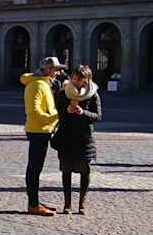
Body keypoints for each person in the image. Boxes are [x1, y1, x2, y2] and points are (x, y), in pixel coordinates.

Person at [52, 64, 101, 215]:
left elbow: (98, 117)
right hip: (66, 136)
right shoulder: (64, 93)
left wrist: (83, 112)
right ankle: (67, 204)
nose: (75, 81)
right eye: (74, 78)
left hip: (84, 138)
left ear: (87, 80)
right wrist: (66, 111)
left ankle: (82, 204)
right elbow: (57, 112)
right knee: (66, 171)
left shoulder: (93, 94)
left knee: (84, 171)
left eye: (79, 79)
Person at [21, 57, 64, 215]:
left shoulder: (45, 84)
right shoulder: (37, 85)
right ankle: (33, 205)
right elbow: (34, 111)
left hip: (43, 130)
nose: (59, 73)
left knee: (36, 168)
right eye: (56, 69)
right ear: (47, 70)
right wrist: (56, 117)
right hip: (38, 131)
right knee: (34, 168)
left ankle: (35, 200)